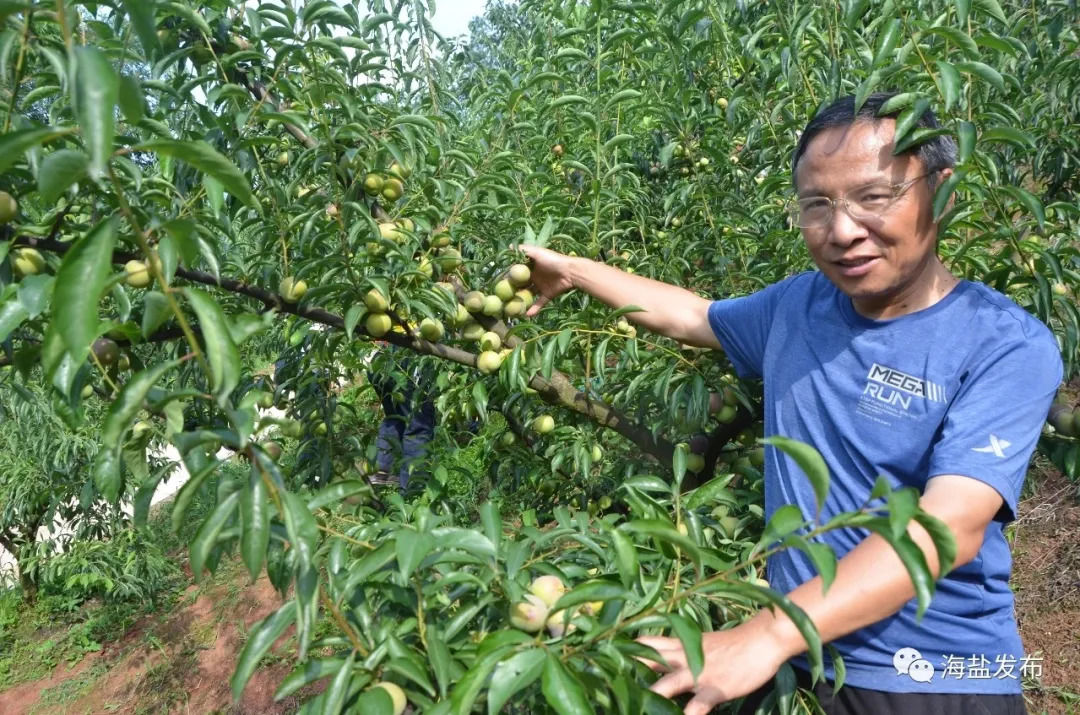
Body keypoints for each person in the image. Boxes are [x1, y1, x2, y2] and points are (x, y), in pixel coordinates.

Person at [521, 93, 1062, 715]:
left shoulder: (1004, 343)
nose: (842, 230)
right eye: (816, 206)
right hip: (797, 663)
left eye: (874, 197)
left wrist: (766, 634)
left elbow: (948, 527)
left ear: (941, 192)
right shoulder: (797, 307)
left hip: (929, 677)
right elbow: (691, 315)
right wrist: (574, 269)